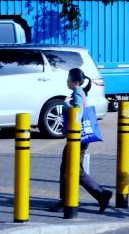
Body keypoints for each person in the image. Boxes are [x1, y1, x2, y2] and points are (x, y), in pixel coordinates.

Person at [48, 68, 112, 213]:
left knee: (72, 170)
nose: (66, 81)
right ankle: (71, 198)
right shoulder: (79, 92)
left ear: (74, 80)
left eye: (68, 78)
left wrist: (65, 105)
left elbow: (78, 112)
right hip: (78, 137)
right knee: (71, 169)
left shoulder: (77, 93)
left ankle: (100, 195)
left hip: (77, 138)